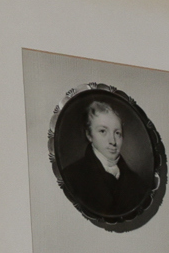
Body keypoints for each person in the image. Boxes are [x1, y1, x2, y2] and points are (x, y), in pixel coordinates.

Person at [59, 96, 155, 224]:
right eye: (103, 131)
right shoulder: (71, 176)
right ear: (89, 135)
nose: (113, 141)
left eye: (117, 133)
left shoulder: (138, 183)